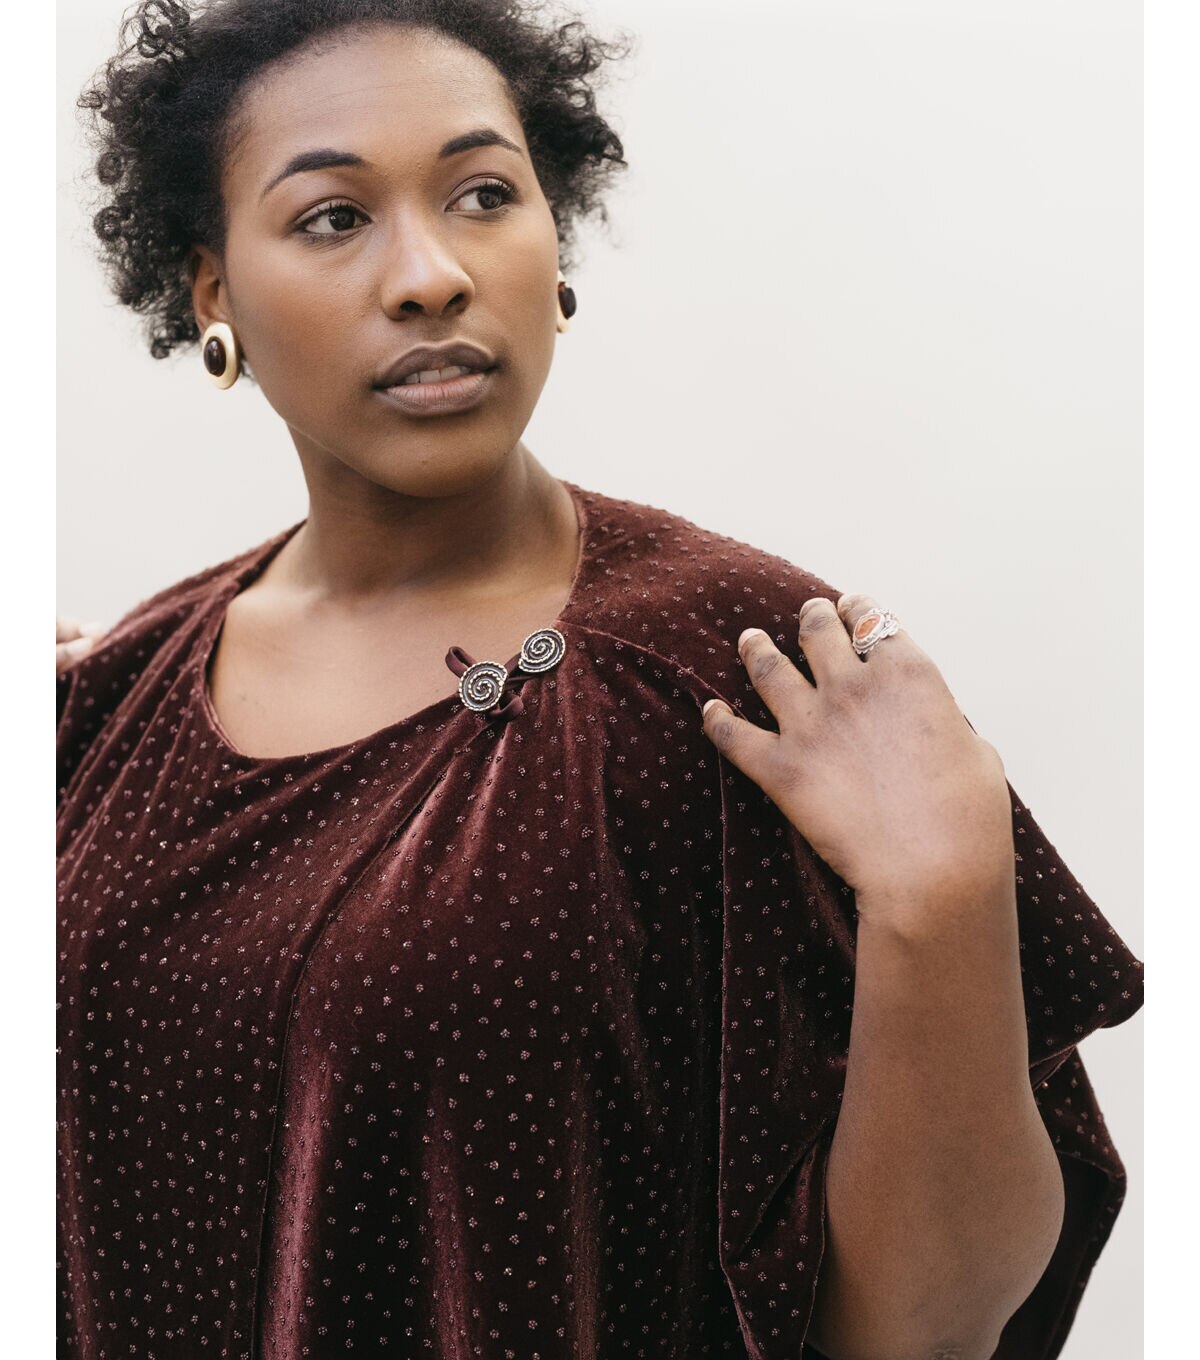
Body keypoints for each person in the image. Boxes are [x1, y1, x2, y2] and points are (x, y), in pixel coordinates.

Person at [57, 3, 1143, 1358]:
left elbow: (927, 1329)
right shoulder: (111, 700)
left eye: (484, 195)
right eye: (334, 218)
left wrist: (943, 900)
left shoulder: (741, 671)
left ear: (553, 241)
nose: (432, 275)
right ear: (213, 289)